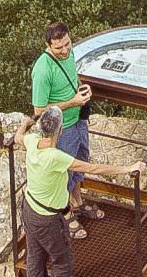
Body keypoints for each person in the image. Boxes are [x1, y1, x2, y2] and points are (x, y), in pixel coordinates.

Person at [14, 105, 145, 275]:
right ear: (60, 131)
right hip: (47, 219)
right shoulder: (56, 157)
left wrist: (24, 123)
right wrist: (128, 168)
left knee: (35, 257)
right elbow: (94, 169)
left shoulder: (32, 141)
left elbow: (18, 138)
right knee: (62, 261)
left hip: (29, 208)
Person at [31, 21, 97, 233]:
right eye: (59, 48)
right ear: (48, 45)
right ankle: (65, 216)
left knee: (80, 161)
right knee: (64, 173)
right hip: (61, 129)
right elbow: (39, 110)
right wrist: (72, 102)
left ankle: (78, 202)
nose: (65, 50)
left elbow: (72, 75)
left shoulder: (69, 54)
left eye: (67, 44)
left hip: (77, 120)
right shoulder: (42, 69)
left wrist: (80, 87)